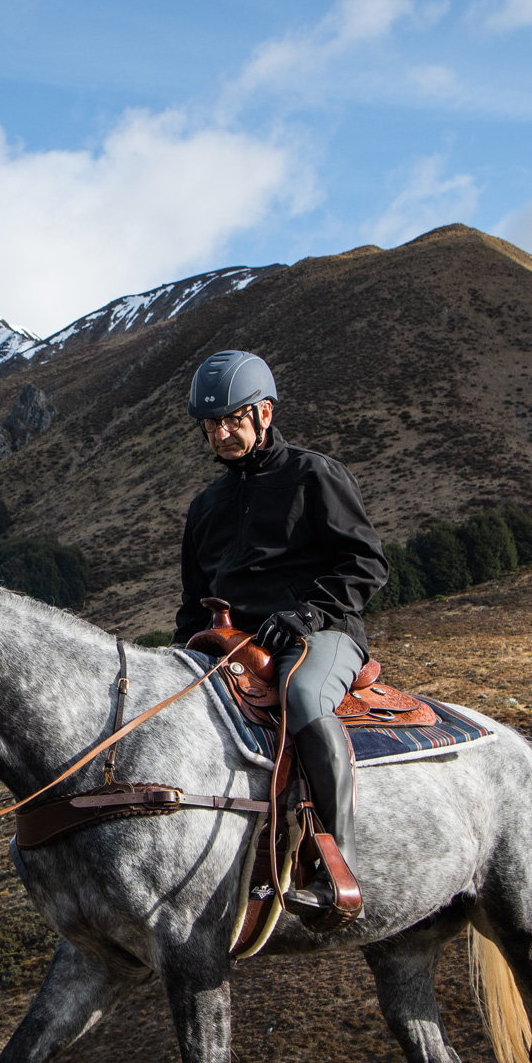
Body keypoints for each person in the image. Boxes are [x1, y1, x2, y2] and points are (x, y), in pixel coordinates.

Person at [174, 350, 388, 928]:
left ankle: (333, 866)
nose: (220, 433)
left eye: (232, 420)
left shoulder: (315, 475)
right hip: (232, 644)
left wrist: (308, 613)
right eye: (210, 425)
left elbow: (365, 565)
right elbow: (193, 601)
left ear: (264, 413)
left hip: (322, 634)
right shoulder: (204, 508)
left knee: (303, 699)